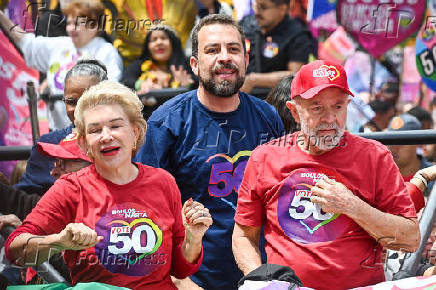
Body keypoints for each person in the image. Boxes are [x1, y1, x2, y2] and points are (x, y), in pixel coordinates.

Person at [232, 60, 420, 289]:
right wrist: (262, 282)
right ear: (294, 111)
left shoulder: (375, 156)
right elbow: (243, 236)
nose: (330, 119)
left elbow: (410, 239)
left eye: (338, 106)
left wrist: (352, 206)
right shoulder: (264, 158)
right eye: (317, 107)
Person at [5, 80, 212, 289]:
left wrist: (193, 238)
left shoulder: (163, 181)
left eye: (115, 126)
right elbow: (14, 252)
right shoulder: (70, 188)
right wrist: (59, 241)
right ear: (85, 144)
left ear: (136, 132)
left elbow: (180, 270)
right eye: (95, 130)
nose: (106, 136)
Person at [134, 14, 284, 290]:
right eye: (212, 50)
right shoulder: (166, 122)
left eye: (233, 49)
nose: (224, 57)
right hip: (195, 278)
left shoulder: (268, 116)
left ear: (246, 60)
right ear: (194, 64)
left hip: (262, 275)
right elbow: (145, 210)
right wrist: (180, 279)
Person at [0, 0, 123, 130]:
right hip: (57, 130)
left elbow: (111, 89)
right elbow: (26, 42)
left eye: (76, 24)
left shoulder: (106, 51)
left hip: (90, 131)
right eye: (69, 23)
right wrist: (2, 17)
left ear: (94, 26)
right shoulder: (60, 45)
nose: (70, 28)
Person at [14, 59, 107, 196]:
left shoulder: (123, 142)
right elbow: (25, 199)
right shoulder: (47, 145)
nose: (79, 109)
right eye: (72, 102)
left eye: (88, 101)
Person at [239, 0, 315, 92]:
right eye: (255, 5)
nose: (257, 11)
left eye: (263, 7)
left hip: (276, 97)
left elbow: (295, 75)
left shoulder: (296, 33)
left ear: (282, 9)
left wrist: (253, 80)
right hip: (242, 95)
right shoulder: (245, 25)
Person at [121, 25, 194, 95]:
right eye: (153, 40)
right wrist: (140, 84)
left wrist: (188, 86)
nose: (159, 42)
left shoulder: (187, 66)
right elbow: (124, 83)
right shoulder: (137, 66)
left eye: (163, 38)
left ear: (173, 44)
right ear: (148, 46)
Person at [387, 114, 435, 197]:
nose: (394, 147)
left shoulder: (433, 177)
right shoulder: (379, 175)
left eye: (401, 142)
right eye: (390, 140)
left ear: (417, 143)